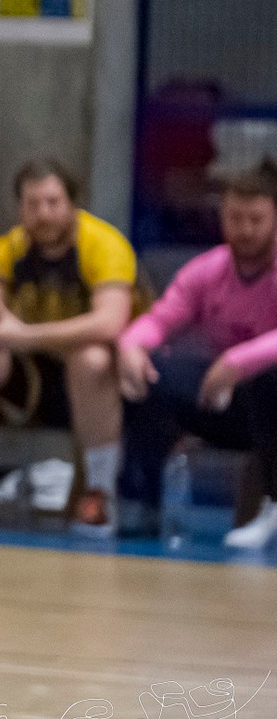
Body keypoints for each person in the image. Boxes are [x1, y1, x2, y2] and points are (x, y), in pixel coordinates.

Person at [0, 160, 137, 536]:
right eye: (32, 204)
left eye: (53, 202)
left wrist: (27, 335)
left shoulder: (104, 244)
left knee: (89, 357)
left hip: (120, 376)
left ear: (72, 203)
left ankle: (100, 494)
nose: (43, 214)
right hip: (42, 375)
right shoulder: (12, 247)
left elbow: (109, 323)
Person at [118, 162, 277, 549]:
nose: (245, 230)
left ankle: (272, 508)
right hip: (222, 399)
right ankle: (143, 500)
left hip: (267, 396)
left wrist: (239, 360)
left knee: (269, 379)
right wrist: (132, 347)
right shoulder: (206, 270)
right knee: (149, 373)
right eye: (235, 218)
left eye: (256, 219)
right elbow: (161, 319)